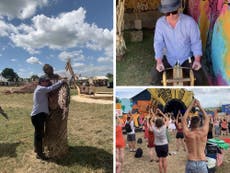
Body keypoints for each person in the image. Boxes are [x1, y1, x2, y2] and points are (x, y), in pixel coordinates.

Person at [151, 0, 206, 86]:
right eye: (167, 13)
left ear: (178, 9)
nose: (171, 15)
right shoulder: (160, 23)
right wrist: (159, 61)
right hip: (168, 57)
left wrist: (197, 60)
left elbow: (196, 42)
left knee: (199, 77)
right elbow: (158, 43)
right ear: (163, 12)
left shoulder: (190, 22)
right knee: (155, 76)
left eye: (174, 11)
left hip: (186, 57)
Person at [31, 76, 66, 160]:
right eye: (46, 81)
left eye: (48, 81)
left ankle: (37, 150)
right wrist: (61, 81)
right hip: (38, 116)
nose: (47, 82)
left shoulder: (41, 89)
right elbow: (51, 88)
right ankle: (40, 154)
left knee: (38, 134)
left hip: (39, 115)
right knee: (39, 135)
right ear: (41, 82)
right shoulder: (40, 89)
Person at [182, 99, 209, 173]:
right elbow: (207, 118)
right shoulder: (203, 132)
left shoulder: (188, 134)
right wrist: (199, 106)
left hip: (191, 162)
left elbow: (184, 119)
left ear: (190, 124)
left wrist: (191, 105)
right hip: (202, 162)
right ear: (199, 123)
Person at [149, 108, 169, 173]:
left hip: (158, 146)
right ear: (162, 123)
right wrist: (161, 113)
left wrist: (154, 114)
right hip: (164, 145)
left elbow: (151, 121)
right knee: (165, 160)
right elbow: (167, 119)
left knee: (160, 160)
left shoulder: (154, 128)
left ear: (156, 124)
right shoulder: (164, 127)